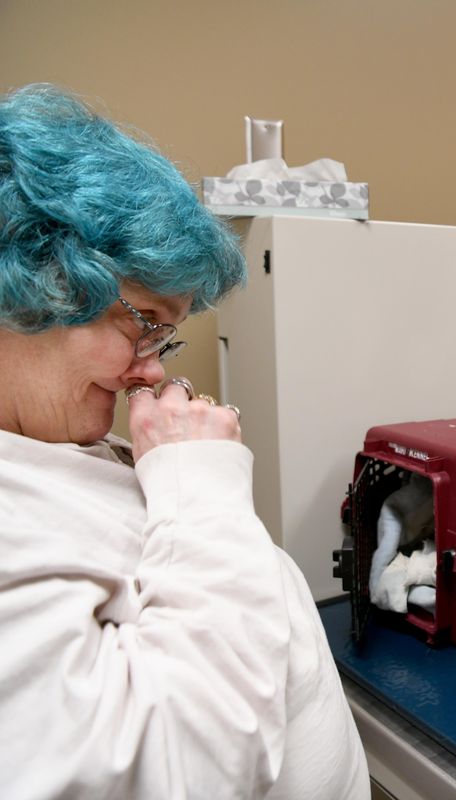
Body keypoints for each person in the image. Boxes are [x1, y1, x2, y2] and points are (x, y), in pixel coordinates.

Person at [0, 85, 368, 798]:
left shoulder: (48, 442)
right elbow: (161, 772)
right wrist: (200, 485)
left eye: (163, 334)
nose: (154, 367)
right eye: (141, 323)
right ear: (31, 284)